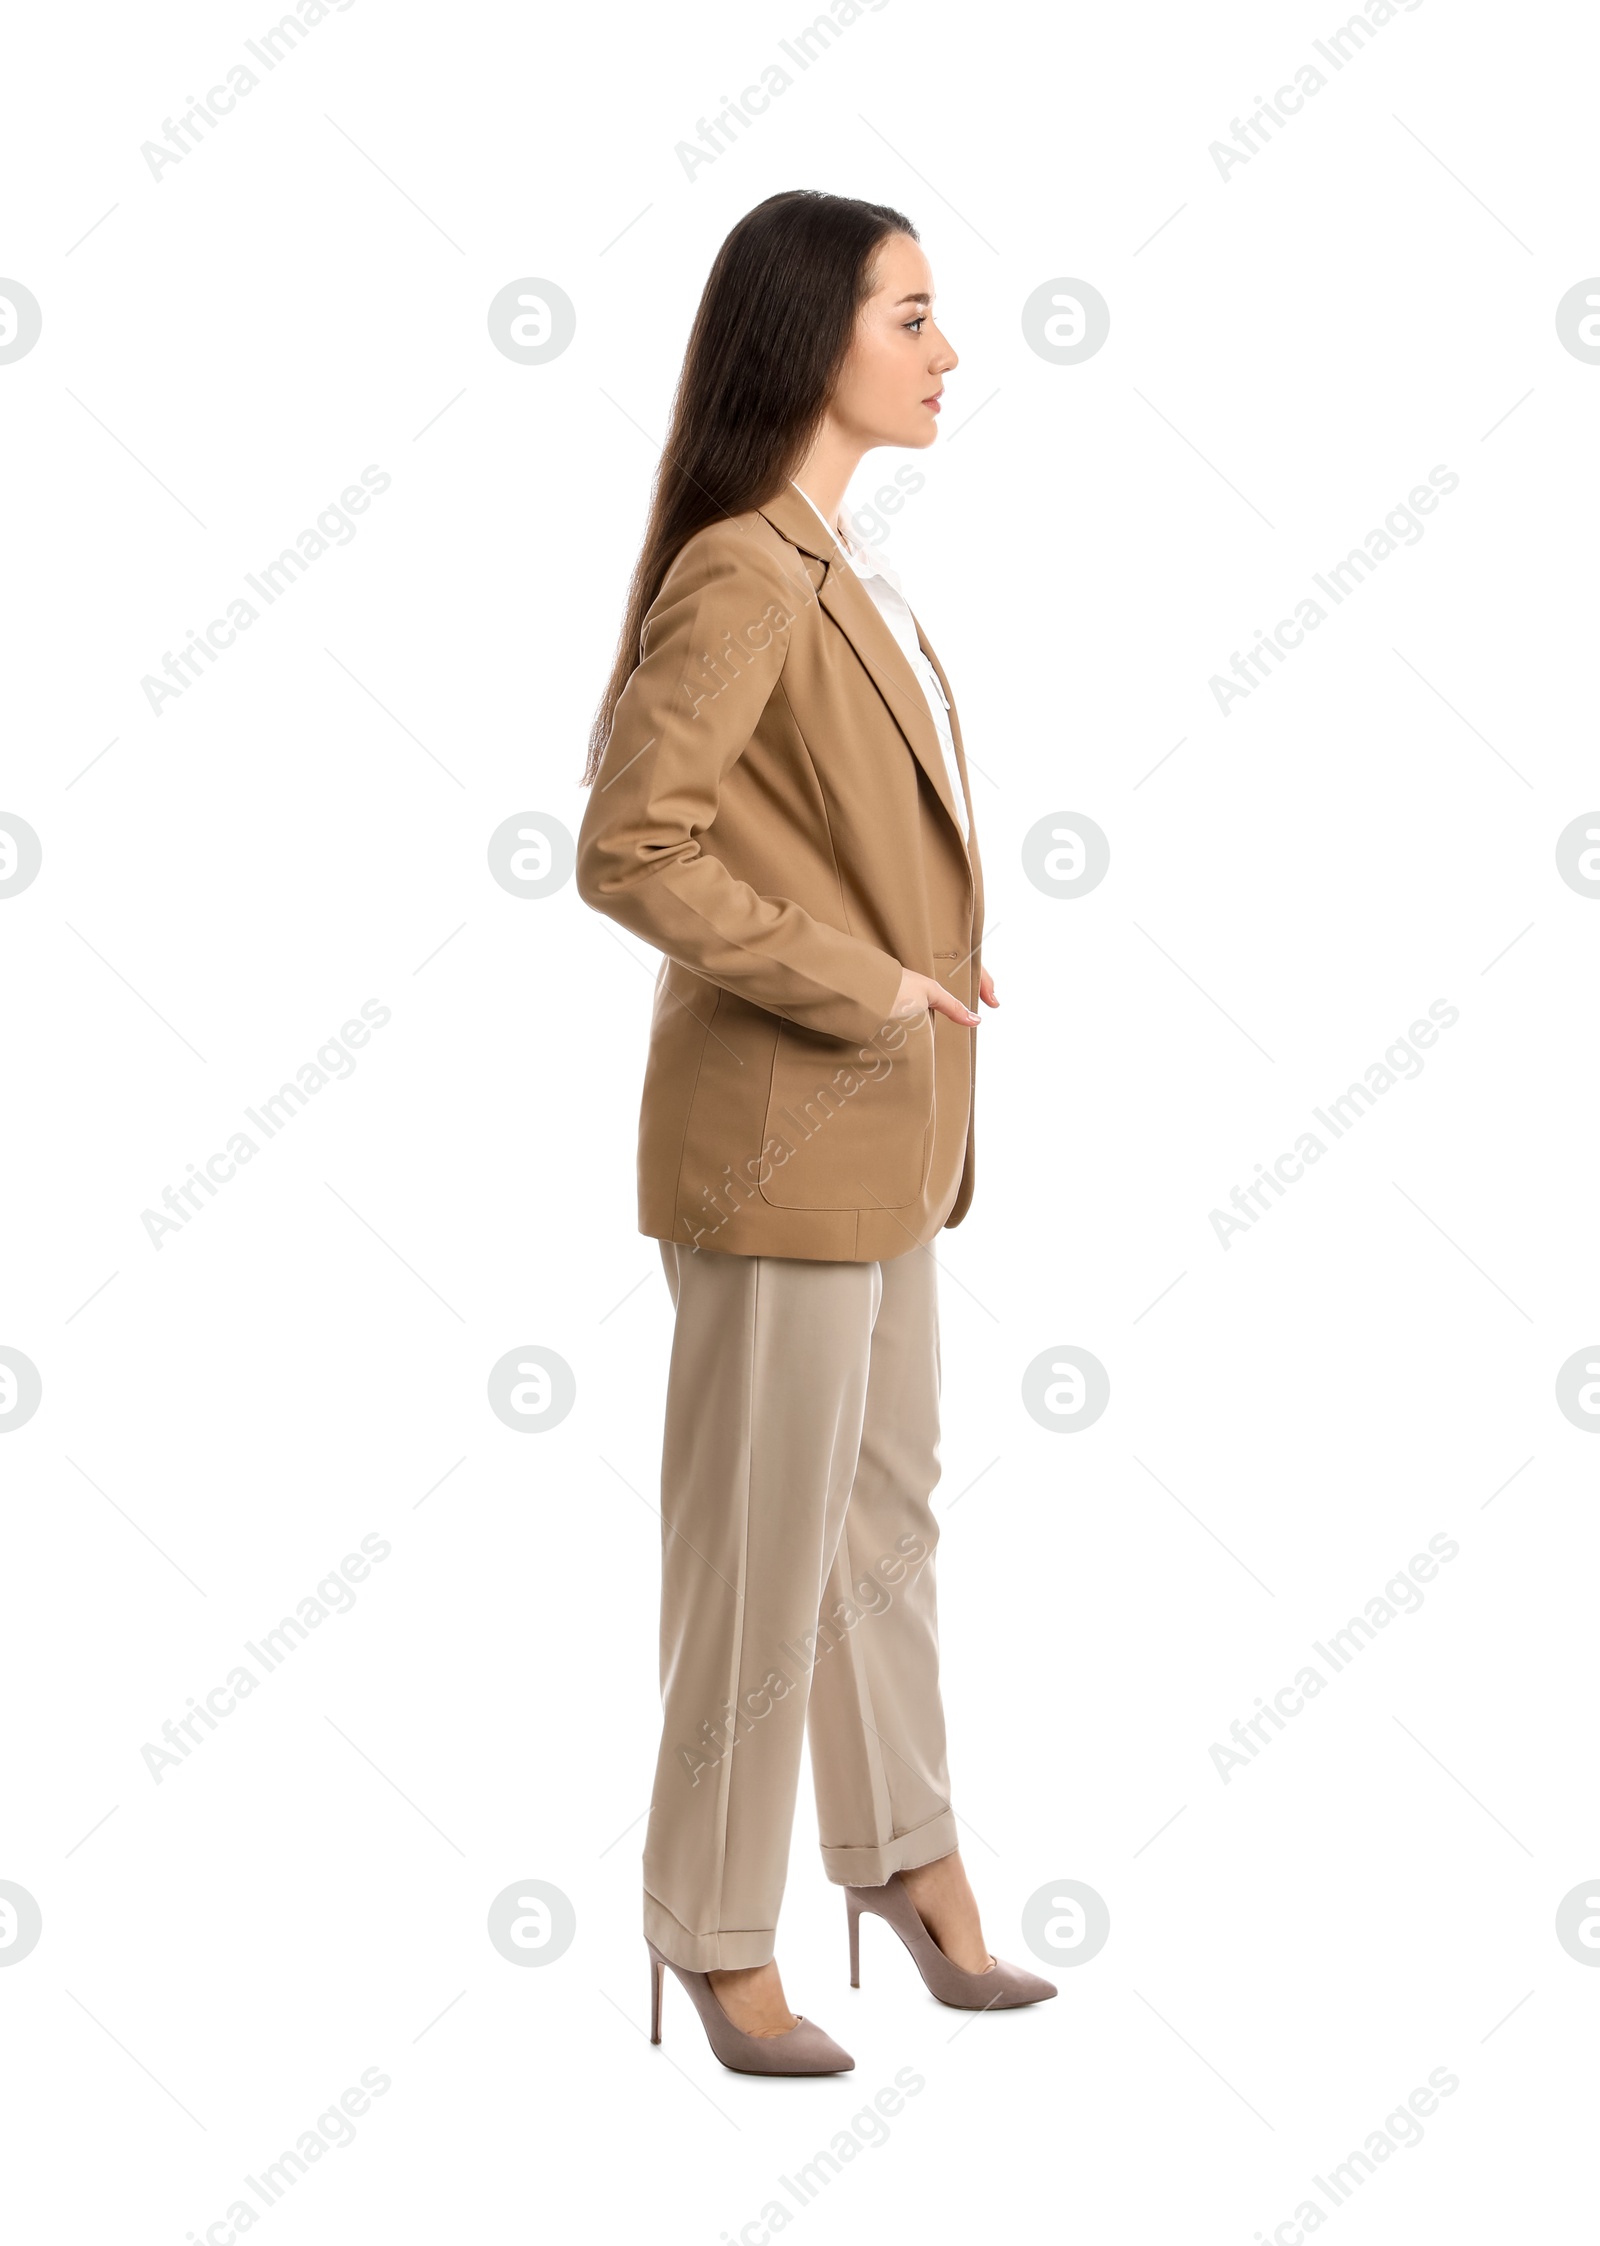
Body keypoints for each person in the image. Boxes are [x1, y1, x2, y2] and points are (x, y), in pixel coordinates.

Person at [576, 188, 1054, 2077]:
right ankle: (710, 1930)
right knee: (761, 1558)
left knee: (880, 1526)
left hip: (882, 1144)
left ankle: (907, 1858)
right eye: (914, 316)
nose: (949, 353)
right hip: (776, 1144)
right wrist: (867, 983)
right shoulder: (745, 571)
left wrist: (934, 978)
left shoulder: (836, 566)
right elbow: (634, 848)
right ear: (811, 338)